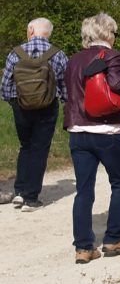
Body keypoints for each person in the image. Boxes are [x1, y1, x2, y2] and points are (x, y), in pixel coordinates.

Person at [63, 13, 120, 263]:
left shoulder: (73, 60)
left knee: (84, 190)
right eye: (114, 33)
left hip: (78, 131)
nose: (115, 38)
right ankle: (113, 238)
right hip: (107, 131)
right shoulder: (112, 56)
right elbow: (116, 85)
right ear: (106, 34)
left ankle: (83, 247)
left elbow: (68, 92)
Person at [2, 17, 68, 211]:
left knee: (26, 146)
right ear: (48, 33)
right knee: (40, 149)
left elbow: (6, 85)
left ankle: (20, 192)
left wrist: (12, 101)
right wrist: (65, 102)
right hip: (47, 107)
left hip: (21, 106)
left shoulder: (16, 53)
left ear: (31, 29)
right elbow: (64, 85)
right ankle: (31, 198)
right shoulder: (58, 54)